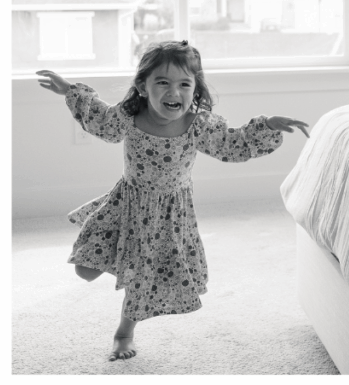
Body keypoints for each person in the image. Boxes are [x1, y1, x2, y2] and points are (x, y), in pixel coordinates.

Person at [35, 40, 310, 362]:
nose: (173, 92)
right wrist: (69, 89)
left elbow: (231, 145)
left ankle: (124, 332)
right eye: (162, 83)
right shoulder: (128, 116)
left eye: (184, 84)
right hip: (128, 202)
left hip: (168, 216)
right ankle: (128, 264)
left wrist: (266, 126)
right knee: (84, 270)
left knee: (143, 277)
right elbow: (101, 123)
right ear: (142, 86)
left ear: (195, 89)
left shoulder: (198, 125)